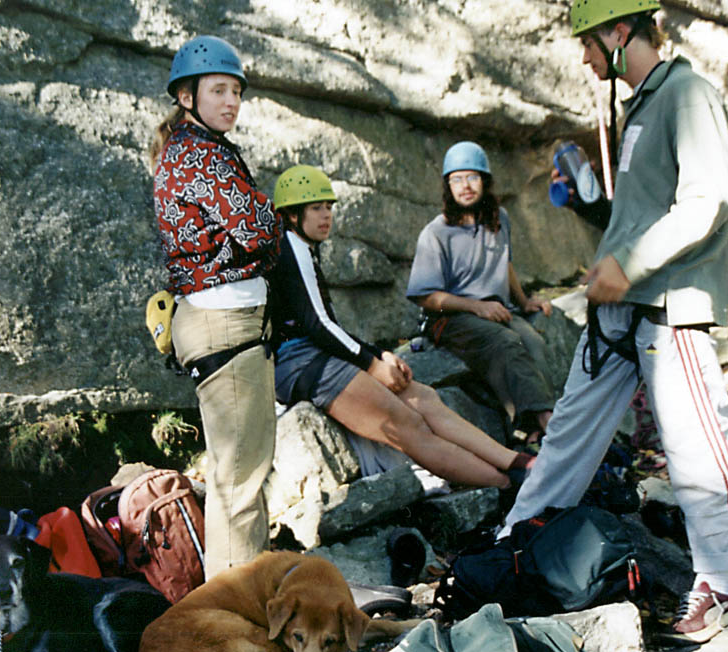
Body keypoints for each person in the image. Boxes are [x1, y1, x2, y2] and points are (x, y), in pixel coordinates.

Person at [501, 0, 728, 643]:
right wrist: (595, 204)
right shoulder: (641, 103)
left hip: (670, 304)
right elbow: (643, 212)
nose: (584, 57)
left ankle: (723, 584)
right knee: (567, 433)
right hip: (620, 310)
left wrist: (630, 262)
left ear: (621, 32)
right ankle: (514, 547)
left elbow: (709, 199)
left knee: (697, 441)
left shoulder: (687, 92)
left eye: (589, 42)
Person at [268, 165, 531, 490]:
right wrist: (372, 363)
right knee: (409, 425)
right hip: (303, 366)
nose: (326, 216)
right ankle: (510, 485)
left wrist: (381, 355)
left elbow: (325, 325)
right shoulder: (291, 248)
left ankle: (516, 461)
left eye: (329, 207)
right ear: (292, 216)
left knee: (423, 397)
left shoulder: (303, 247)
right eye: (315, 208)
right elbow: (317, 324)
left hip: (319, 354)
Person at [149, 36, 279, 579]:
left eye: (236, 92)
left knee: (240, 474)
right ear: (187, 95)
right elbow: (258, 227)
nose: (231, 102)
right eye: (218, 90)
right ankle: (235, 612)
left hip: (228, 321)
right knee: (238, 483)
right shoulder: (198, 154)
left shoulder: (204, 149)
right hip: (225, 322)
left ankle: (243, 595)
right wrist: (268, 218)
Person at [405, 142, 557, 441]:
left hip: (495, 310)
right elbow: (426, 296)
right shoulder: (436, 233)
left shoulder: (499, 219)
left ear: (485, 182)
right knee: (506, 342)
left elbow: (505, 264)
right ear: (448, 186)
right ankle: (544, 422)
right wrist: (476, 307)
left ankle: (533, 429)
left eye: (472, 177)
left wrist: (524, 301)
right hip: (451, 317)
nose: (465, 186)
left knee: (534, 343)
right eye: (457, 179)